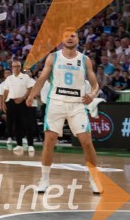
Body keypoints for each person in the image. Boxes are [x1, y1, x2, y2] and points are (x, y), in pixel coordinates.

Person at [25, 30, 103, 194]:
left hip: (77, 104)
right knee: (49, 141)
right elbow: (42, 79)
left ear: (78, 39)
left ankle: (94, 179)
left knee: (86, 142)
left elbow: (95, 85)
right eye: (66, 35)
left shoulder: (85, 60)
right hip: (56, 103)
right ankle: (44, 179)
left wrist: (92, 94)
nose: (69, 38)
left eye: (73, 35)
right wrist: (32, 95)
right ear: (62, 39)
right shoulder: (53, 57)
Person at [1, 61, 36, 153]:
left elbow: (31, 89)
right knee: (16, 124)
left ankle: (31, 145)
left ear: (20, 67)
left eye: (17, 66)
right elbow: (6, 91)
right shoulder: (9, 78)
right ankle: (19, 144)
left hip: (23, 102)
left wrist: (23, 97)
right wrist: (4, 102)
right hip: (12, 102)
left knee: (27, 124)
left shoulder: (25, 77)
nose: (15, 68)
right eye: (13, 66)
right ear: (11, 67)